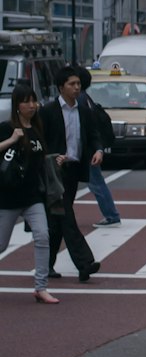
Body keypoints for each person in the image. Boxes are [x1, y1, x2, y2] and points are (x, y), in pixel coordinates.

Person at [40, 67, 101, 283]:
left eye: (78, 84)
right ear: (60, 87)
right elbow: (40, 141)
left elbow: (93, 135)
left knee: (58, 219)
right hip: (54, 172)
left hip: (74, 170)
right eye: (72, 84)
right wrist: (51, 157)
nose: (77, 88)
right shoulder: (48, 111)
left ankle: (45, 264)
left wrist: (98, 150)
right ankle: (85, 263)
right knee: (66, 215)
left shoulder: (84, 110)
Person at [0, 83, 58, 303]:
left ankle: (40, 287)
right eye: (27, 101)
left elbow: (39, 158)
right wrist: (12, 140)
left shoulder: (37, 128)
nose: (32, 105)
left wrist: (54, 160)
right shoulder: (6, 128)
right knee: (1, 245)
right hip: (8, 197)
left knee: (43, 235)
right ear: (17, 105)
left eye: (34, 101)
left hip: (33, 196)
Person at [74, 68, 120, 225]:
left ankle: (112, 215)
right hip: (89, 149)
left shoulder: (79, 100)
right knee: (96, 182)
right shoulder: (85, 98)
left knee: (96, 183)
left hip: (85, 149)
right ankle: (112, 215)